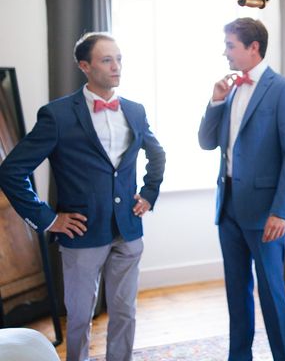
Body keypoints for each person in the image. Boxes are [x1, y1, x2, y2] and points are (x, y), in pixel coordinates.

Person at [0, 32, 166, 361]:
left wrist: (148, 193)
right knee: (78, 319)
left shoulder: (135, 110)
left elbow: (157, 154)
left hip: (128, 230)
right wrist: (47, 218)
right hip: (81, 234)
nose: (116, 66)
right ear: (84, 66)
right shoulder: (58, 115)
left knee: (125, 313)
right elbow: (11, 170)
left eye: (119, 58)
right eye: (107, 60)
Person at [198, 18, 285, 361]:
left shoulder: (283, 89)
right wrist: (215, 102)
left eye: (230, 45)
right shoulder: (228, 90)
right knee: (236, 293)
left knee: (272, 294)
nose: (225, 52)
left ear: (253, 47)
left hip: (266, 212)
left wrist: (282, 211)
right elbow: (206, 142)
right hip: (227, 206)